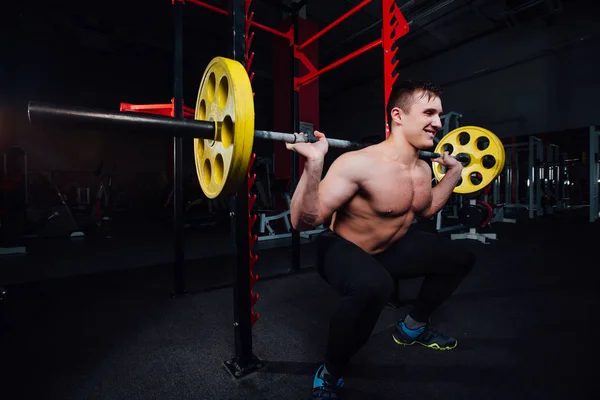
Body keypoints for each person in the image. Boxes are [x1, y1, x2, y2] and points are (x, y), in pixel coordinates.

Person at [286, 81, 475, 399]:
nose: (438, 123)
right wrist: (314, 166)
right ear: (398, 116)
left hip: (388, 247)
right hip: (341, 248)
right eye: (429, 112)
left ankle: (412, 327)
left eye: (439, 114)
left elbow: (426, 209)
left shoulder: (422, 168)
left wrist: (453, 176)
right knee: (375, 286)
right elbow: (303, 221)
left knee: (460, 256)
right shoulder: (359, 163)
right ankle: (330, 371)